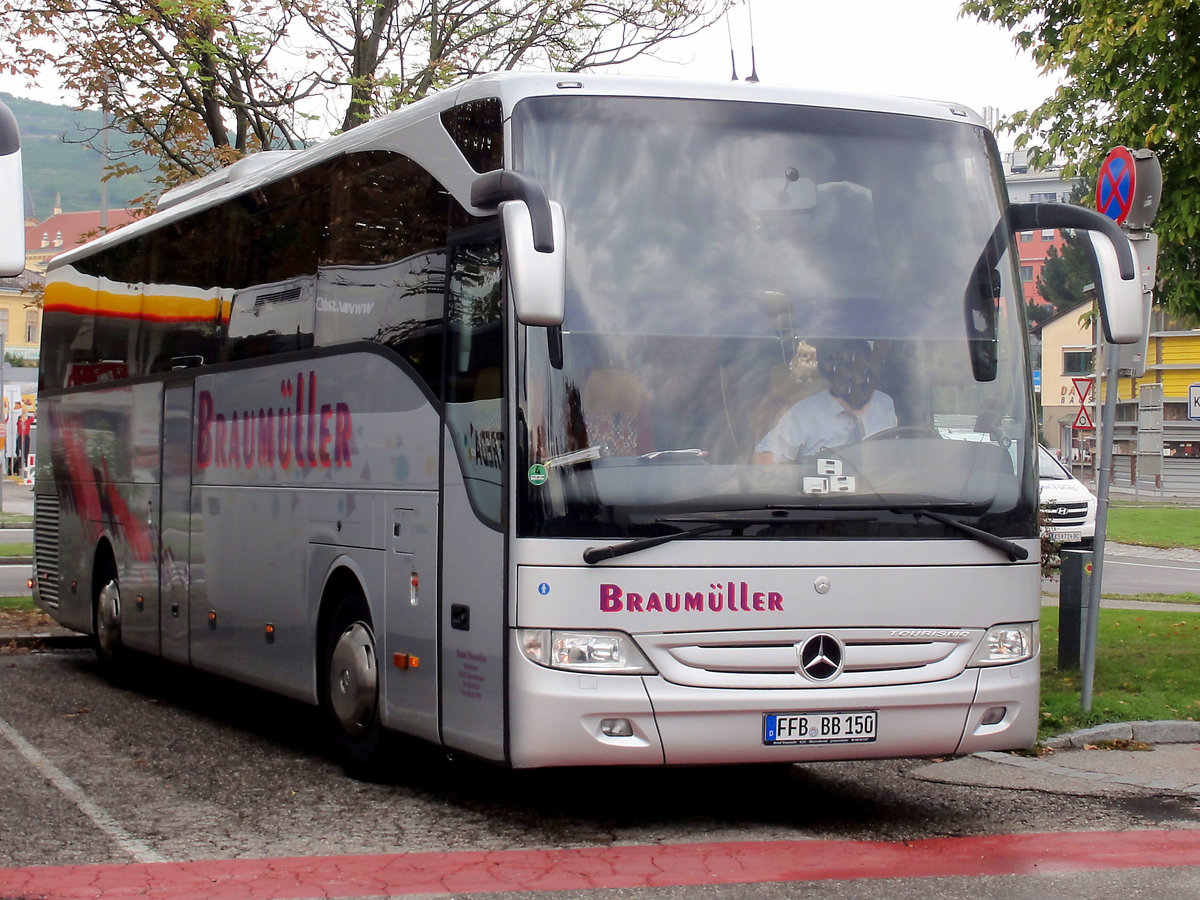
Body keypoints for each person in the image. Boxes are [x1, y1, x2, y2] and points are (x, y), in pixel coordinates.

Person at [752, 338, 896, 464]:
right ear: (829, 372)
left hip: (882, 491)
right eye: (845, 367)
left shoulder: (884, 403)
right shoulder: (804, 412)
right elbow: (764, 458)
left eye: (859, 367)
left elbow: (896, 456)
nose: (853, 375)